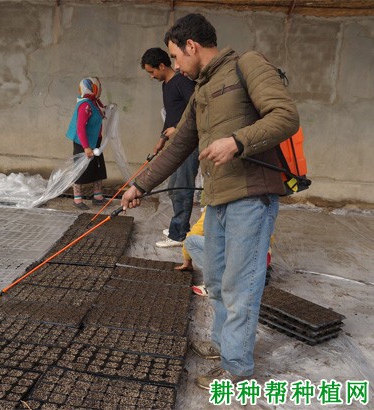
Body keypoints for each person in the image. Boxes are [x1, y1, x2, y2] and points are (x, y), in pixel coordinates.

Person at [121, 13, 299, 389]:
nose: (174, 65)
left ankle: (237, 368)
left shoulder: (248, 64)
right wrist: (139, 185)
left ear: (191, 46)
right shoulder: (201, 89)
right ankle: (222, 346)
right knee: (216, 281)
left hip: (251, 197)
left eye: (175, 56)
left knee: (240, 284)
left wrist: (237, 141)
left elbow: (285, 116)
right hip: (217, 200)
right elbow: (177, 147)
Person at [140, 48, 198, 248]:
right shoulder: (166, 85)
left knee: (182, 188)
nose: (151, 76)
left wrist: (178, 128)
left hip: (189, 143)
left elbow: (197, 109)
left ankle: (178, 234)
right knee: (174, 188)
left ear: (162, 66)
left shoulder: (183, 82)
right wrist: (162, 139)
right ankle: (180, 226)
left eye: (152, 71)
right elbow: (171, 116)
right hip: (175, 143)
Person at [66, 77, 107, 210]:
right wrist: (86, 147)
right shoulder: (85, 105)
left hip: (95, 141)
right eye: (98, 87)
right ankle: (77, 199)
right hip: (84, 143)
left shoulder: (94, 103)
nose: (100, 89)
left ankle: (98, 197)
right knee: (80, 170)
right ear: (92, 88)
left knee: (97, 168)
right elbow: (80, 128)